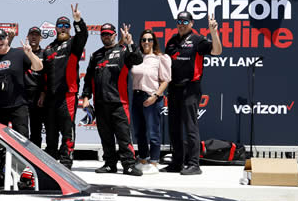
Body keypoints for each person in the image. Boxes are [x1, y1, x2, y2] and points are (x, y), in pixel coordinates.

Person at [81, 23, 143, 176]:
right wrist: (86, 97)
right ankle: (110, 164)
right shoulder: (95, 55)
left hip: (119, 103)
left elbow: (138, 59)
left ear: (115, 35)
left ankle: (128, 165)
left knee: (123, 136)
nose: (106, 37)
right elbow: (88, 79)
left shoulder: (123, 51)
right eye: (103, 34)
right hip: (100, 104)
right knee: (106, 137)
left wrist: (130, 43)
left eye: (109, 34)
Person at [164, 11, 222, 175]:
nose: (181, 24)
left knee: (190, 127)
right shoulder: (171, 41)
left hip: (190, 88)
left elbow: (217, 51)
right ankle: (177, 162)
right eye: (179, 21)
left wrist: (213, 32)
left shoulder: (198, 40)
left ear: (191, 23)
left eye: (185, 21)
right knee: (173, 127)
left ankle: (194, 164)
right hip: (173, 88)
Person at [42, 4, 88, 168]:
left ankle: (66, 160)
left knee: (67, 129)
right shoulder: (48, 48)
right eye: (60, 26)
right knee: (51, 131)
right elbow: (44, 74)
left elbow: (83, 35)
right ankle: (51, 160)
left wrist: (78, 21)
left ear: (69, 29)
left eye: (66, 26)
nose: (63, 28)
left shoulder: (74, 44)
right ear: (55, 28)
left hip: (68, 94)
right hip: (51, 97)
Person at [0, 29, 43, 138]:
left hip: (18, 106)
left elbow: (38, 67)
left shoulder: (19, 54)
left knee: (22, 140)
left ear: (7, 39)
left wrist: (30, 54)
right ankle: (0, 156)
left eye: (2, 38)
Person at [130, 29, 171, 174]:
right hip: (137, 97)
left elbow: (165, 80)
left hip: (152, 97)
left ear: (154, 42)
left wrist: (154, 96)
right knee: (139, 132)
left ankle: (154, 161)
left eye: (149, 39)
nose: (146, 42)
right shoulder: (136, 57)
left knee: (153, 132)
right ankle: (143, 159)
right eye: (143, 40)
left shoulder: (160, 58)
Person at [25, 26, 47, 147]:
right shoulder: (22, 52)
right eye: (31, 34)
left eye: (36, 35)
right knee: (21, 129)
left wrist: (43, 94)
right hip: (23, 94)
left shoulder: (45, 53)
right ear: (27, 37)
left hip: (38, 95)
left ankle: (35, 159)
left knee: (36, 128)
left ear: (41, 38)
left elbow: (48, 76)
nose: (34, 37)